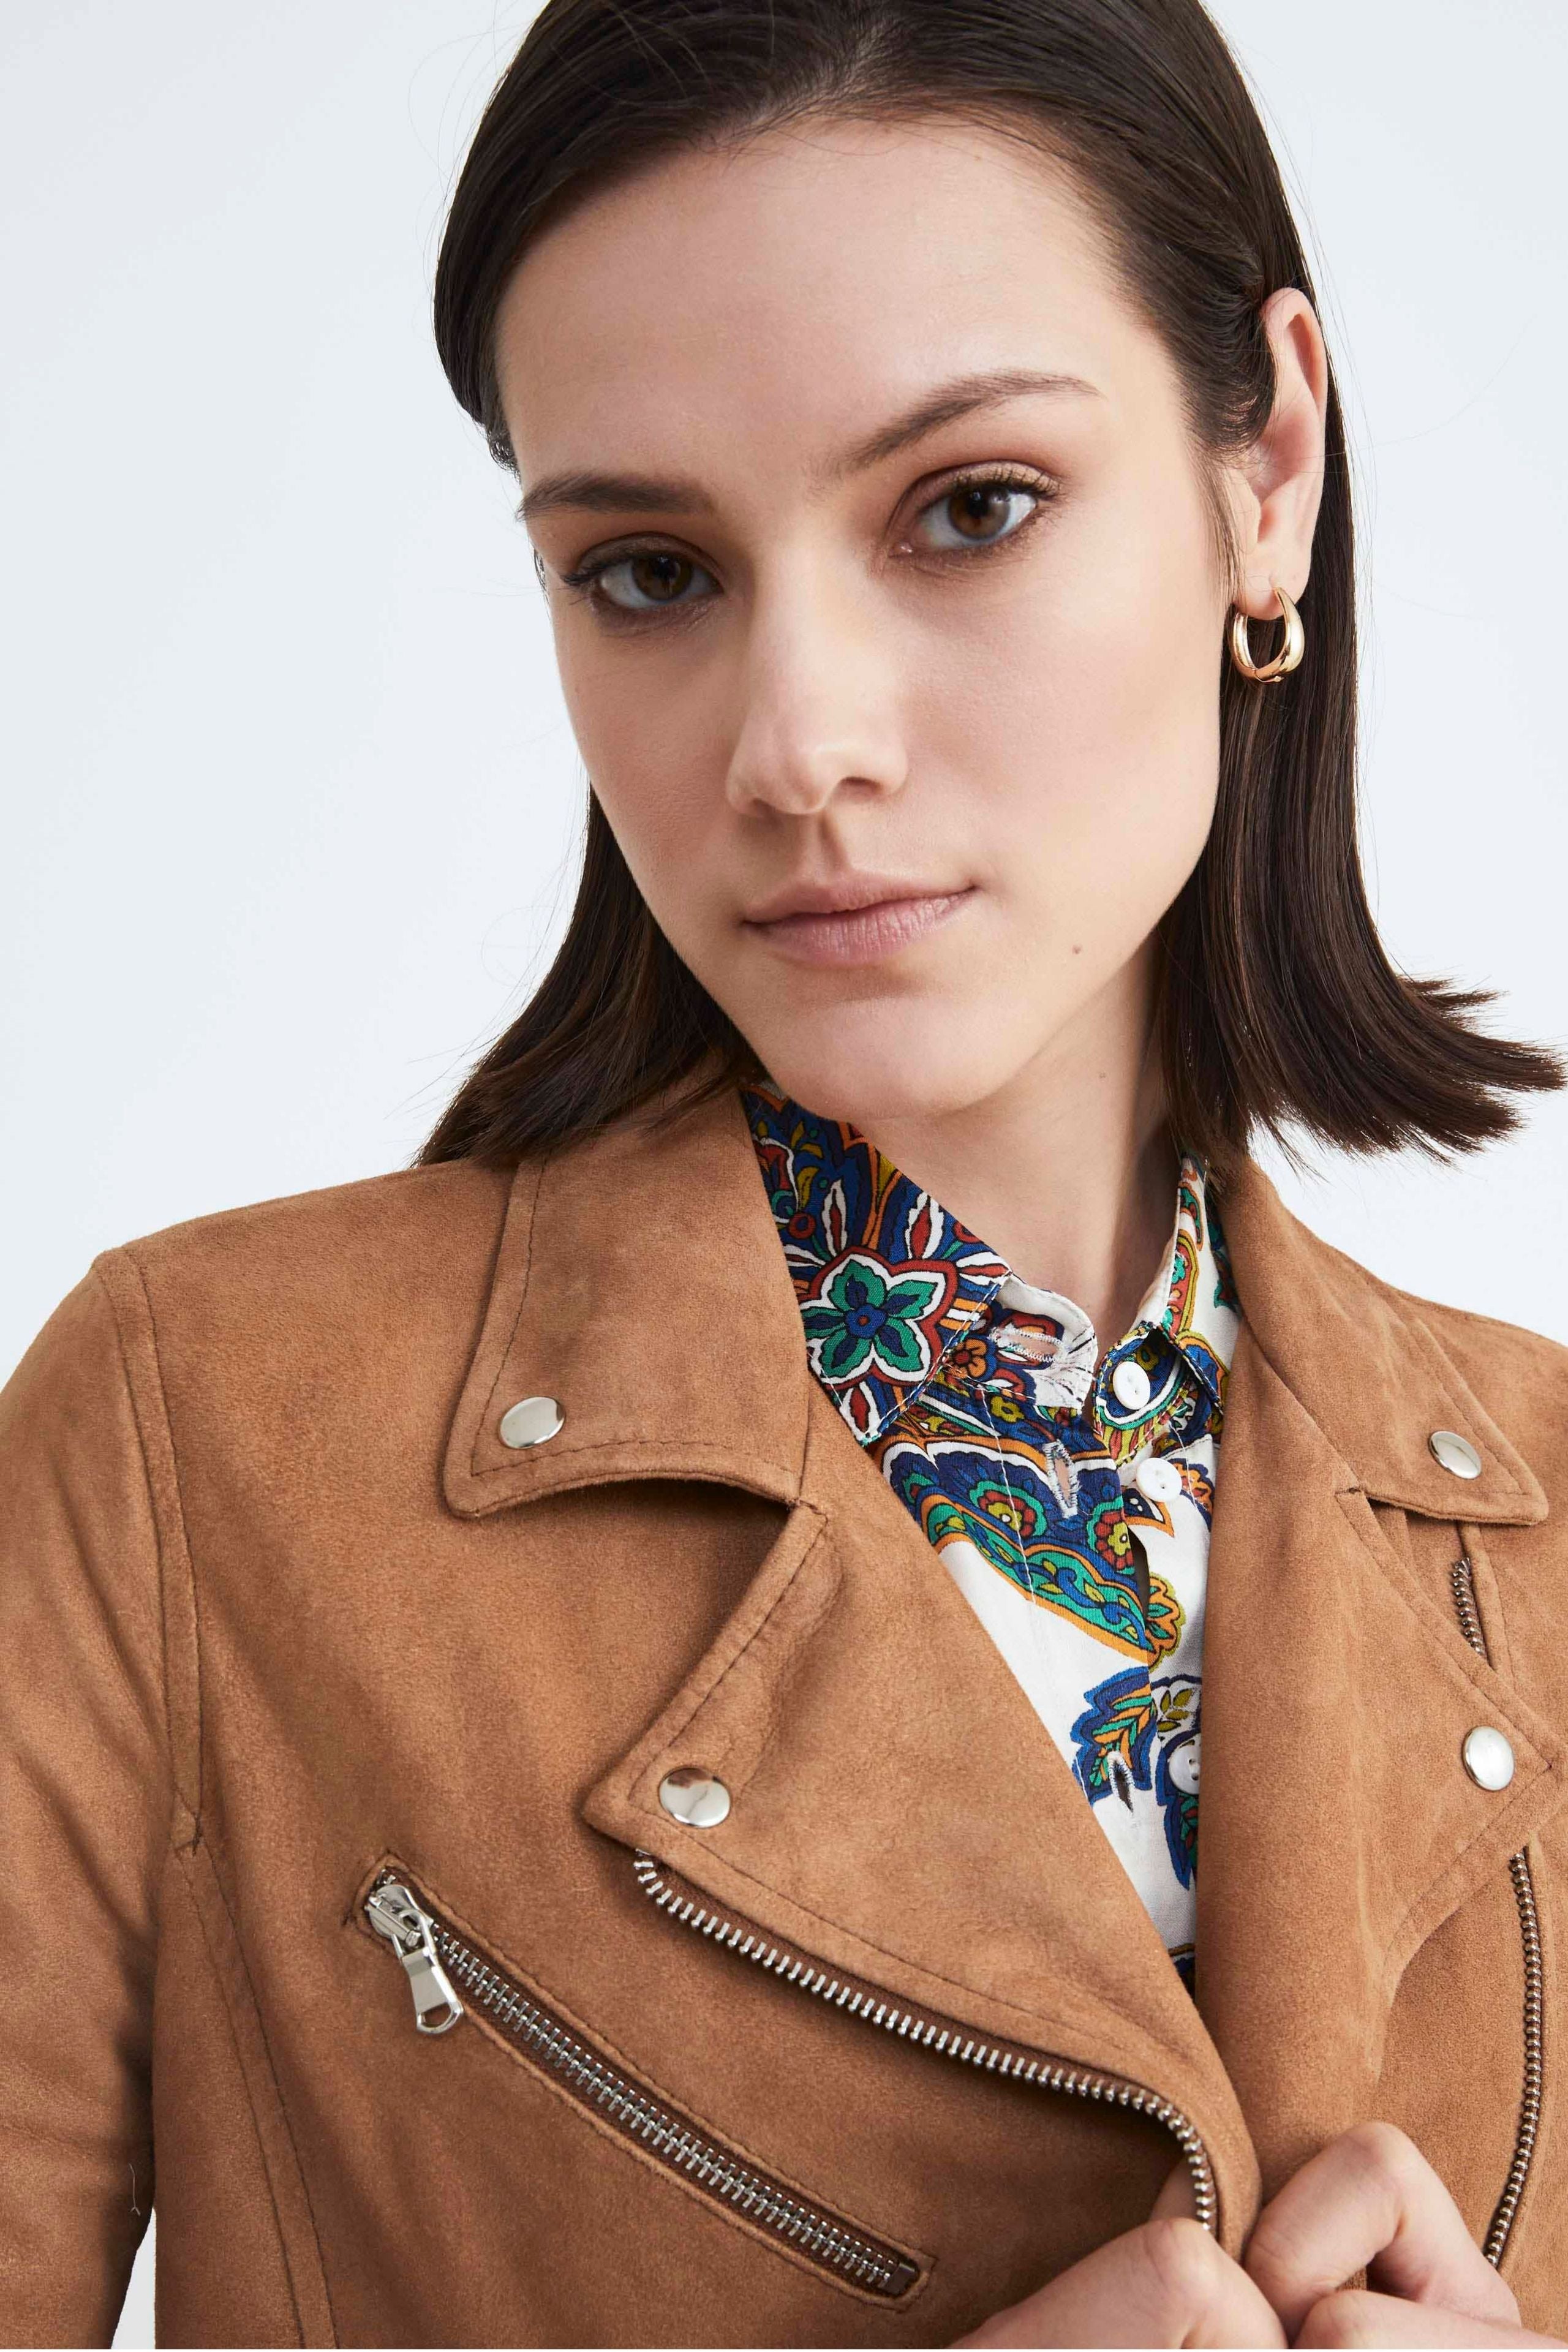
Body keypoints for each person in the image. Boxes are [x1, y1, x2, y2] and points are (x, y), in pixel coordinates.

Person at [2, 0, 1566, 2343]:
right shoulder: (199, 1444)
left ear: (1268, 473)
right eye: (649, 569)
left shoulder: (1547, 1515)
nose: (795, 744)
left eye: (970, 509)